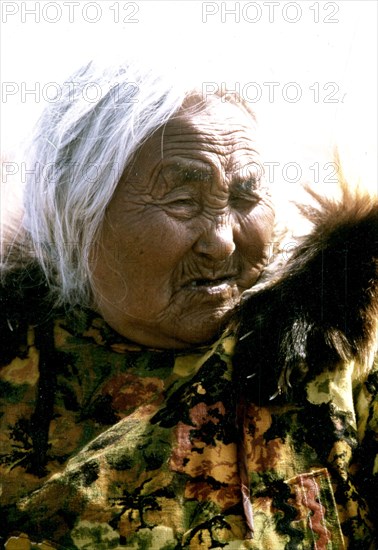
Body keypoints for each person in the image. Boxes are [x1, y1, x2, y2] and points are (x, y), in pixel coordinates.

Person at [0, 59, 377, 549]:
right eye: (182, 202)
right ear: (78, 223)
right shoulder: (17, 364)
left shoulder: (338, 359)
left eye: (244, 196)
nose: (222, 242)